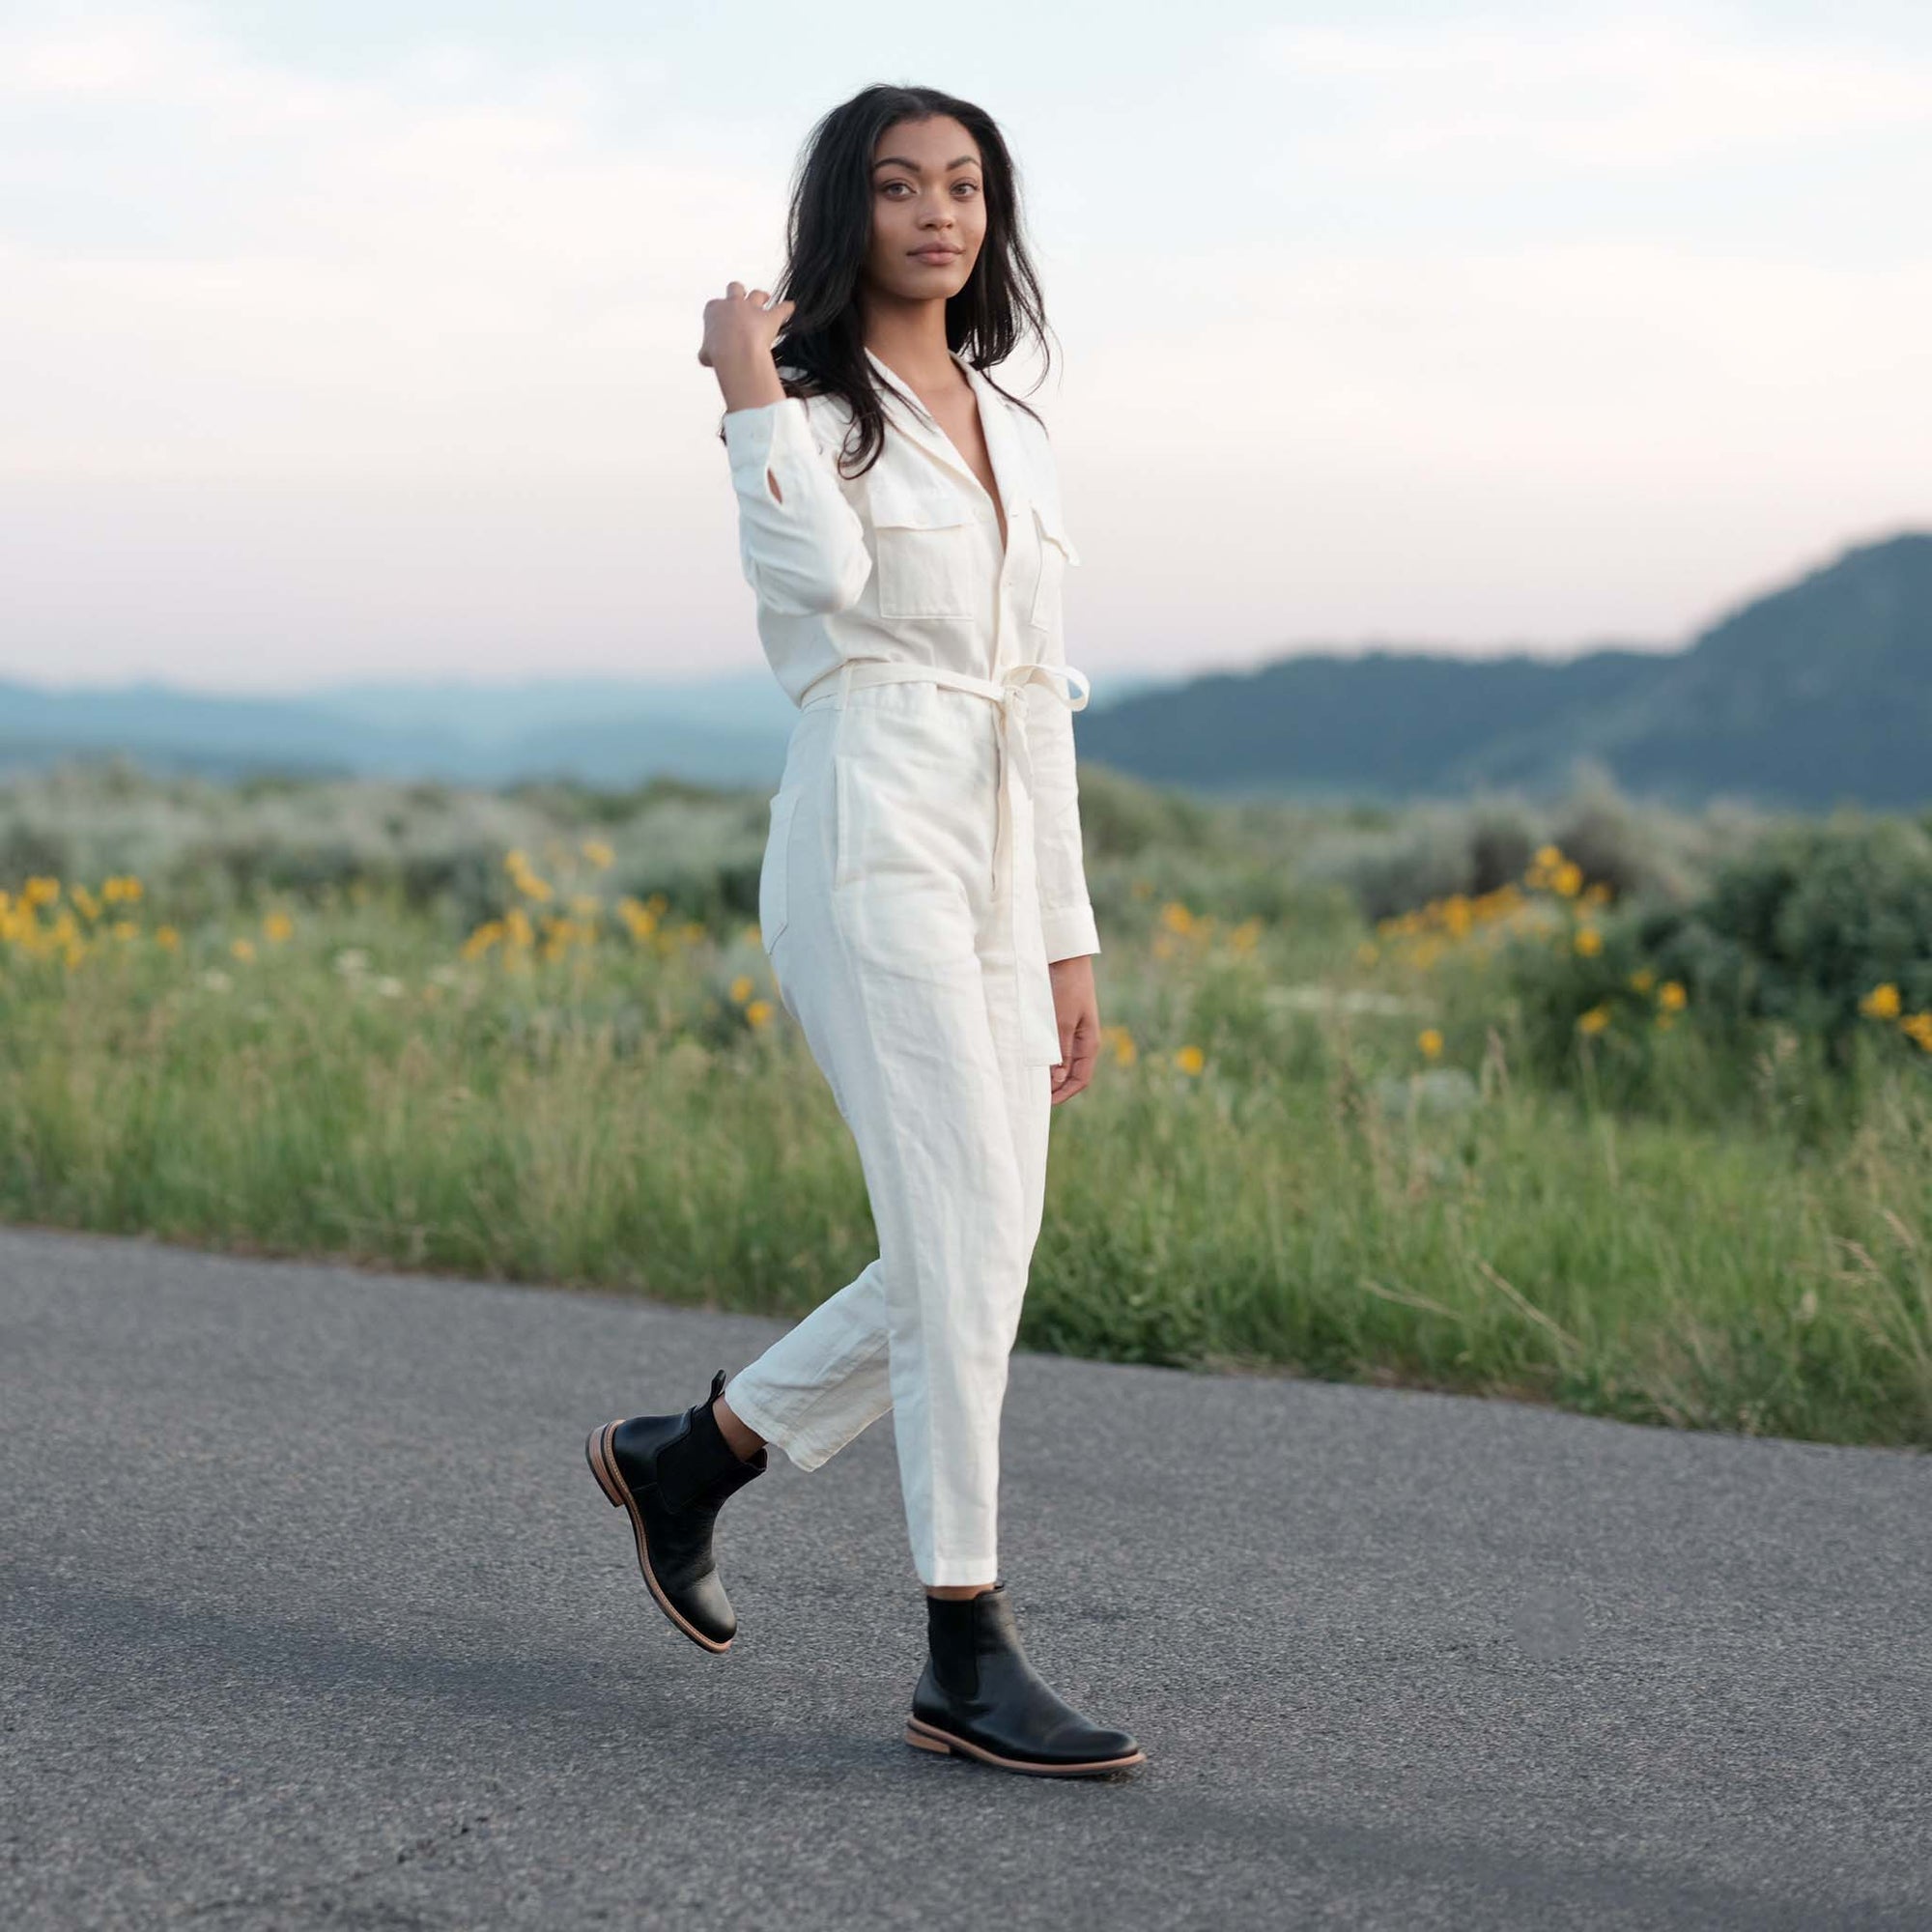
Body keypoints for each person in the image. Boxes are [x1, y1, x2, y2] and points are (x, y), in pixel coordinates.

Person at [584, 83, 1144, 1780]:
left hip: (992, 850)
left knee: (977, 1251)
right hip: (867, 832)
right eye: (901, 186)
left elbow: (1036, 697)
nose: (938, 212)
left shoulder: (1019, 429)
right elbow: (814, 583)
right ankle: (961, 1648)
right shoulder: (810, 407)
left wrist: (1067, 935)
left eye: (965, 185)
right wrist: (746, 381)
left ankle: (703, 1455)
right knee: (963, 1245)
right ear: (851, 214)